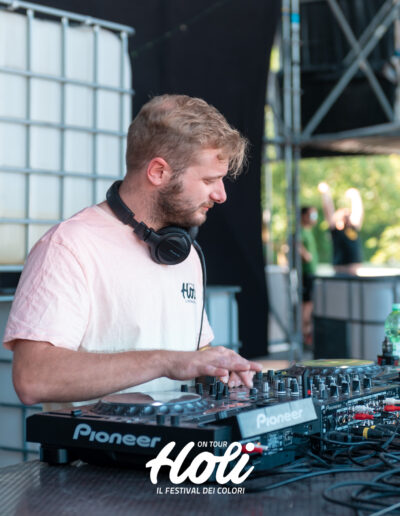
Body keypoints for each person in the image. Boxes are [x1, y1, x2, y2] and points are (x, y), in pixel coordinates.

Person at [3, 94, 262, 410]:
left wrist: (216, 364)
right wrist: (165, 362)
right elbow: (33, 378)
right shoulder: (67, 247)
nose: (221, 195)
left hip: (176, 440)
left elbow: (192, 353)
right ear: (158, 172)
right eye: (210, 180)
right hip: (96, 444)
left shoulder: (183, 253)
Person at [318, 182, 363, 275]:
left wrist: (355, 197)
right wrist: (325, 193)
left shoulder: (353, 228)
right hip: (340, 271)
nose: (347, 216)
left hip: (353, 271)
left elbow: (358, 213)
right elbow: (328, 210)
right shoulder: (336, 230)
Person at [299, 206, 318, 346]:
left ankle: (307, 335)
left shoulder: (308, 231)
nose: (314, 218)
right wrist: (306, 255)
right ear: (304, 215)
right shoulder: (300, 231)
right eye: (312, 215)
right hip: (306, 274)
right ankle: (304, 336)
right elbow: (295, 244)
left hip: (311, 273)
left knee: (310, 305)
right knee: (307, 305)